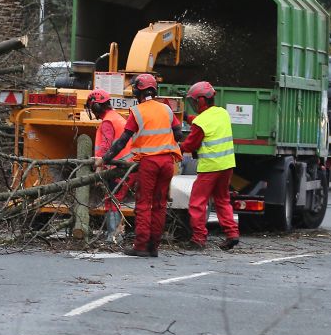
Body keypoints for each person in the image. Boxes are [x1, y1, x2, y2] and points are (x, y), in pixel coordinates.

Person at [98, 73, 182, 257]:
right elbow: (178, 134)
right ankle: (154, 246)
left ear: (137, 91)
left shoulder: (137, 112)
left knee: (144, 203)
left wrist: (105, 158)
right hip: (168, 162)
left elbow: (122, 141)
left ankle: (141, 245)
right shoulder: (166, 109)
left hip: (149, 163)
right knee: (159, 204)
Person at [180, 81, 240, 251]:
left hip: (209, 168)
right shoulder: (223, 113)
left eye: (194, 102)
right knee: (222, 200)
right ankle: (232, 233)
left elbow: (189, 146)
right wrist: (187, 118)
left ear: (201, 101)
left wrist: (175, 147)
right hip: (227, 166)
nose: (193, 105)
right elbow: (205, 122)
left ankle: (198, 239)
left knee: (197, 203)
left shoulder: (201, 122)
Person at [87, 88, 133, 235]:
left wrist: (99, 168)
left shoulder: (107, 121)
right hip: (127, 166)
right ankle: (115, 234)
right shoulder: (116, 117)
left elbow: (106, 147)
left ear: (96, 106)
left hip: (120, 168)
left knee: (112, 200)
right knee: (114, 199)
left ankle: (114, 236)